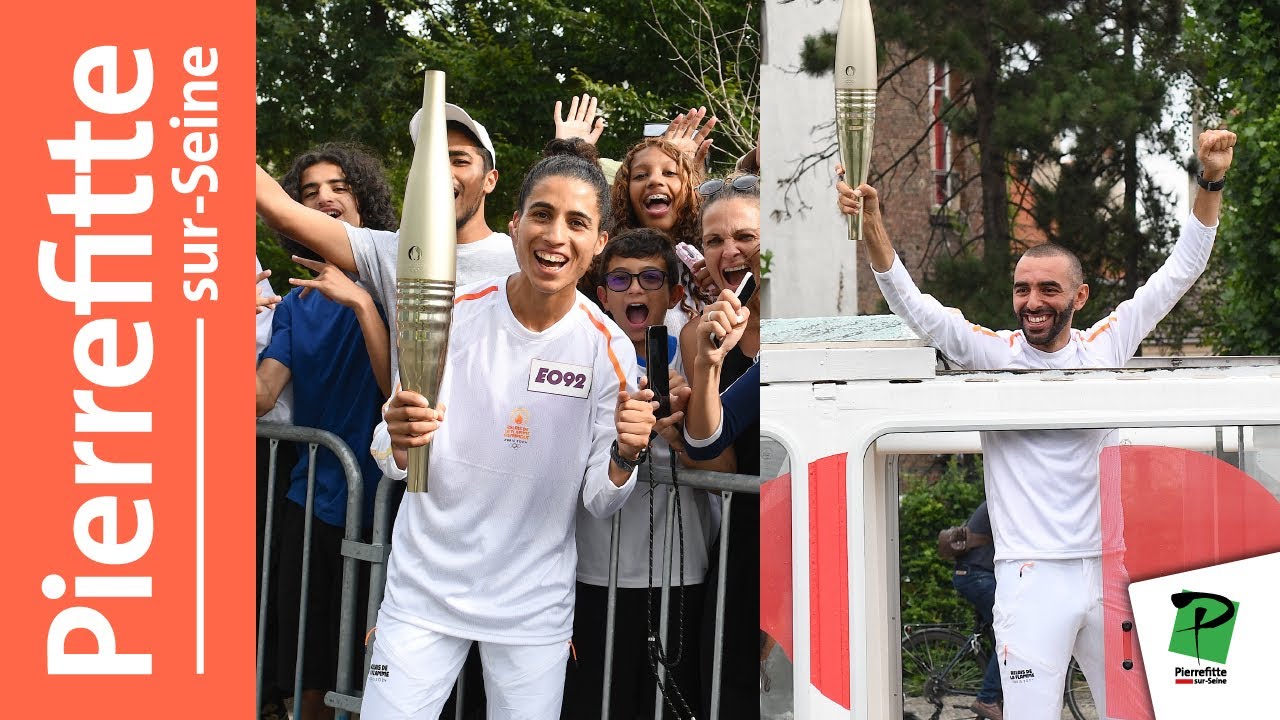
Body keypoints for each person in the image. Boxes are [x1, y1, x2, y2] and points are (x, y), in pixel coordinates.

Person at [838, 128, 1237, 720]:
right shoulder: (992, 352)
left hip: (1110, 570)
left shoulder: (1106, 344)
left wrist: (1210, 180)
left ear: (1080, 297)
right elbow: (913, 305)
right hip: (1028, 578)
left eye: (1049, 289)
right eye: (1022, 290)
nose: (1033, 302)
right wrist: (872, 222)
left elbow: (1182, 269)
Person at [360, 139, 669, 720]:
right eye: (542, 214)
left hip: (531, 610)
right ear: (515, 223)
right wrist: (397, 439)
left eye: (577, 222)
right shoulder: (450, 315)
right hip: (423, 593)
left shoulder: (608, 350)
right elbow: (389, 448)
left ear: (599, 243)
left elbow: (599, 500)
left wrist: (626, 454)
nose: (555, 236)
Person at [255, 142, 398, 720]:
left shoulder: (396, 281)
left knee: (379, 669)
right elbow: (260, 395)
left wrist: (362, 303)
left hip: (389, 504)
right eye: (309, 192)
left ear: (365, 199)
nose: (324, 198)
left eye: (338, 186)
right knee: (308, 665)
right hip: (312, 499)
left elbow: (396, 386)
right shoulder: (294, 305)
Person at [562, 228, 726, 720]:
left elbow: (722, 465)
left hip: (679, 571)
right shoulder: (577, 355)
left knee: (670, 707)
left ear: (673, 294)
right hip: (593, 569)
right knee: (595, 704)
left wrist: (681, 430)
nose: (635, 289)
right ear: (602, 294)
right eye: (620, 279)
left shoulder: (698, 360)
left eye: (650, 278)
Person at [255, 102, 519, 378]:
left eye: (460, 161)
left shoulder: (519, 260)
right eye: (430, 160)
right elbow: (281, 211)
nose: (441, 171)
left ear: (490, 180)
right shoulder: (390, 251)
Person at [676, 171, 762, 719]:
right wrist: (708, 365)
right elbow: (714, 455)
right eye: (714, 240)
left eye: (745, 237)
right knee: (728, 689)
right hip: (743, 531)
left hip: (808, 526)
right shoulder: (696, 333)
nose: (729, 251)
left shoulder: (802, 323)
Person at [938, 502, 1002, 720]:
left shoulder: (997, 498)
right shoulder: (1001, 500)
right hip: (978, 577)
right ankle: (987, 699)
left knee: (1001, 633)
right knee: (1013, 633)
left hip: (974, 575)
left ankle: (1001, 693)